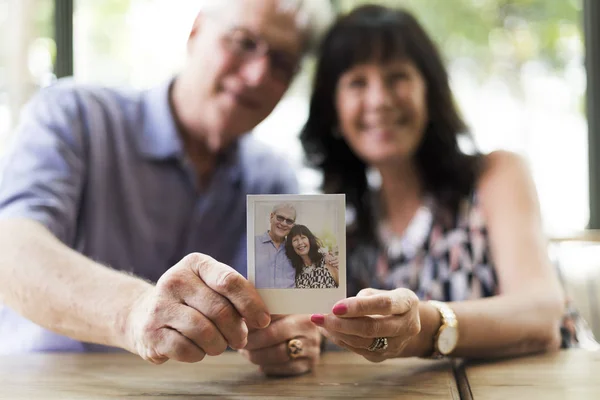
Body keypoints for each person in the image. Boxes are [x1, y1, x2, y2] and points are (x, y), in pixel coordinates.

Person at [0, 0, 332, 376]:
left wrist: (289, 340)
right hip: (42, 382)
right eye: (244, 42)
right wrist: (133, 311)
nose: (258, 75)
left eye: (282, 64)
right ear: (196, 31)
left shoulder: (273, 179)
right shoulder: (76, 115)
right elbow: (10, 249)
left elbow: (281, 318)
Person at [300, 4, 581, 362]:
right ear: (333, 113)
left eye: (397, 76)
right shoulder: (345, 229)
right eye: (357, 82)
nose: (380, 100)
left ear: (429, 93)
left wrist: (427, 326)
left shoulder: (496, 175)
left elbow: (543, 313)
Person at [255, 203, 298, 288]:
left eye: (289, 221)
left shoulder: (295, 249)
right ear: (271, 217)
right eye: (280, 218)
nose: (284, 223)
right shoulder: (253, 243)